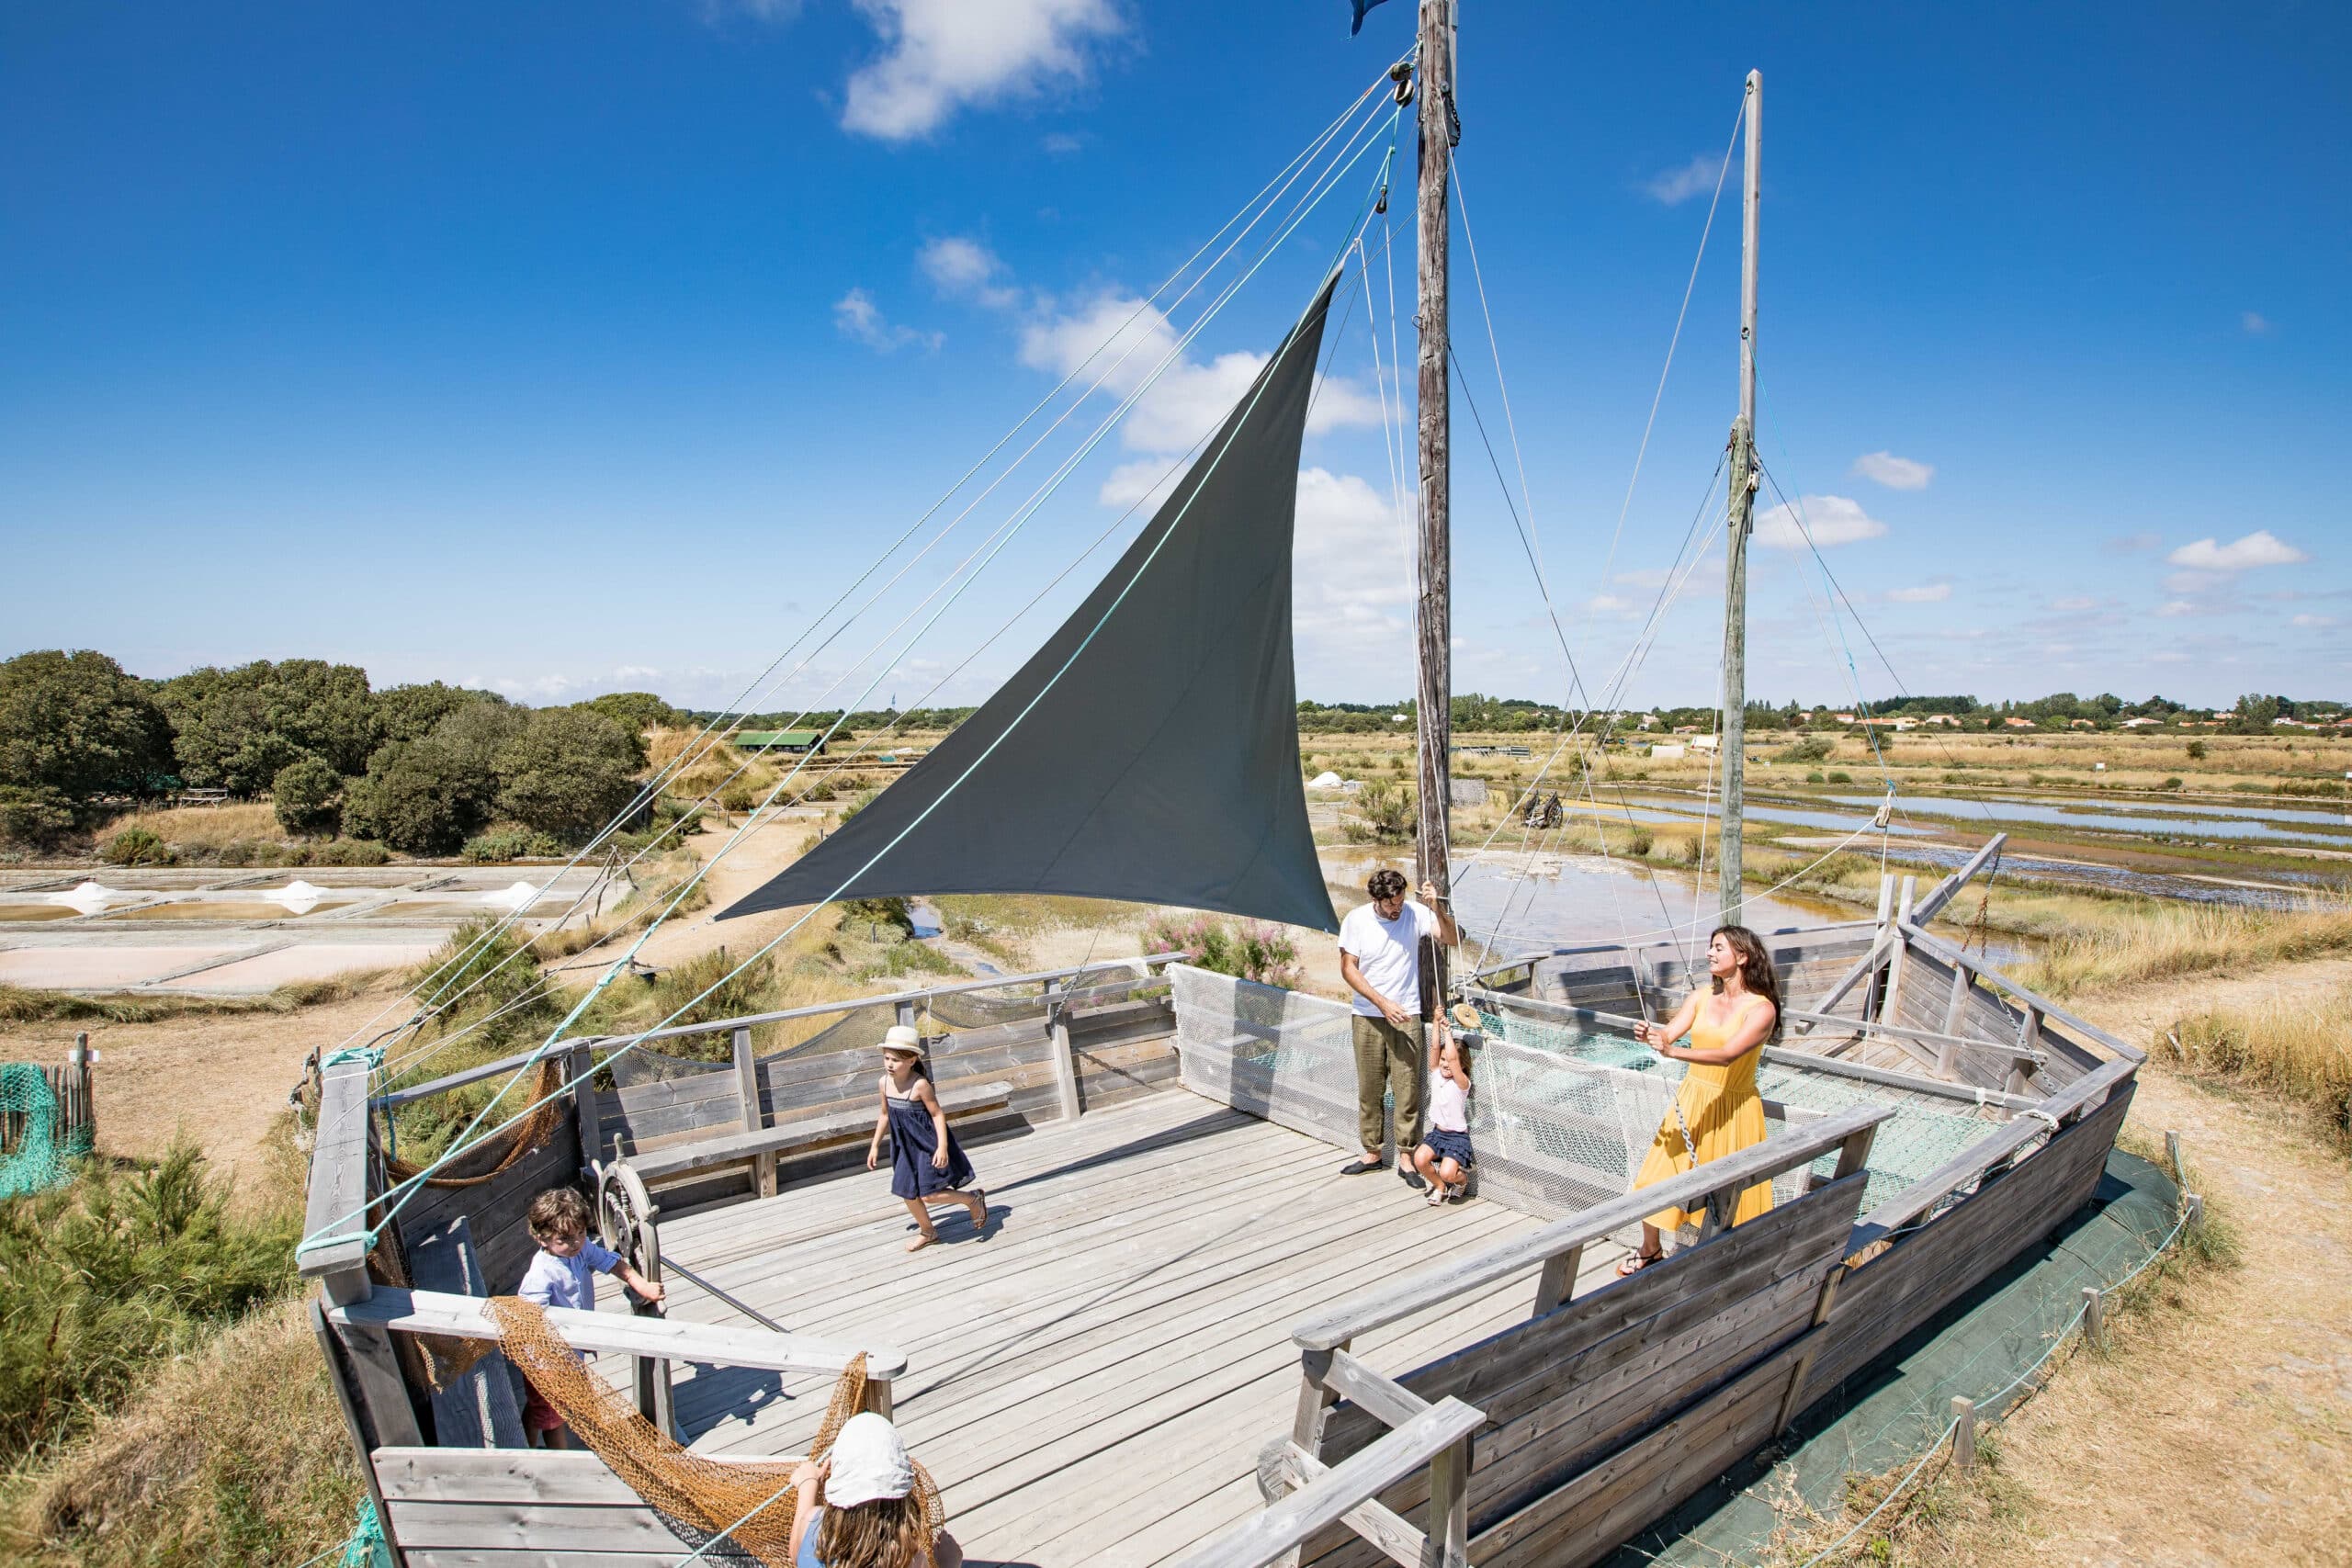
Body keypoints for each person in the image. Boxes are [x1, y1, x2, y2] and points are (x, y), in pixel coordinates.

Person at [1617, 925, 1781, 1274]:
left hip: (1734, 1107)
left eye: (1718, 947)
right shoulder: (1701, 997)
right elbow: (1668, 1035)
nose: (1709, 953)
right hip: (1692, 1098)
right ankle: (1650, 1250)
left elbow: (1726, 1055)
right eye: (1710, 946)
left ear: (1742, 956)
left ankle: (1734, 1263)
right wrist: (1654, 1036)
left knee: (1733, 1195)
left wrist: (1674, 1051)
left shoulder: (1762, 1009)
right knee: (1653, 1178)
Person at [1337, 867, 1459, 1188]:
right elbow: (1348, 969)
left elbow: (1452, 939)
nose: (1397, 909)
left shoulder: (1414, 912)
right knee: (1370, 1088)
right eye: (1391, 904)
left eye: (1401, 902)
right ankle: (1372, 1153)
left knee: (1407, 1089)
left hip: (1407, 1015)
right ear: (1375, 899)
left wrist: (1437, 908)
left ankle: (1406, 1157)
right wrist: (1381, 1003)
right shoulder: (1356, 920)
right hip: (1367, 1014)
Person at [516, 1186, 665, 1448]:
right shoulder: (541, 1273)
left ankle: (523, 1443)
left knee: (542, 1406)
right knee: (554, 1414)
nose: (575, 1243)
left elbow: (610, 1261)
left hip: (572, 1351)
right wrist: (545, 1357)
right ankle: (558, 1459)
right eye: (564, 1239)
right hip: (546, 1357)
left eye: (581, 1234)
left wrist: (640, 1284)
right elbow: (529, 1318)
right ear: (542, 1239)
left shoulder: (580, 1249)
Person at [788, 1412, 963, 1568]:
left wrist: (808, 1485)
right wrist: (949, 1564)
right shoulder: (909, 1560)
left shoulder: (811, 1524)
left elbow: (796, 1555)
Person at [867, 1025, 987, 1252]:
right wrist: (874, 1146)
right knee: (907, 1192)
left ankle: (972, 1199)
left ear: (912, 1060)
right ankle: (928, 1232)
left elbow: (937, 1114)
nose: (890, 1064)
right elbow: (884, 1115)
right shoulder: (884, 1083)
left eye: (896, 1060)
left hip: (926, 1145)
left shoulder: (920, 1085)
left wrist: (942, 1147)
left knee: (930, 1194)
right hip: (903, 1146)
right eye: (887, 1059)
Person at [1411, 1004, 1479, 1205]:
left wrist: (1447, 1032)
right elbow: (1435, 1048)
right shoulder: (1436, 1074)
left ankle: (1461, 1180)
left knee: (1448, 1173)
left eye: (1450, 1062)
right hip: (1438, 1133)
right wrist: (1435, 1021)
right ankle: (1439, 1186)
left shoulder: (1461, 1083)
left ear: (1462, 1065)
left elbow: (1452, 1058)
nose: (1445, 1065)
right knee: (1420, 1159)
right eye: (1442, 1060)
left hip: (1457, 1137)